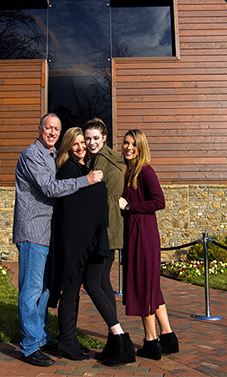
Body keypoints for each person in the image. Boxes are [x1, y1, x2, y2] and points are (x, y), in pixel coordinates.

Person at [13, 113, 103, 367]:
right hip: (33, 232)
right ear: (39, 128)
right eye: (48, 128)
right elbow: (50, 188)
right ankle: (29, 346)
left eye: (56, 129)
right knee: (31, 291)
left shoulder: (51, 156)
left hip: (47, 233)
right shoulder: (32, 155)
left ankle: (40, 338)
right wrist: (86, 180)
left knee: (42, 290)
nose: (52, 132)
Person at [46, 126, 135, 366]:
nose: (82, 146)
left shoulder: (85, 167)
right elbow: (74, 205)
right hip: (73, 243)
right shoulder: (68, 169)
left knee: (76, 291)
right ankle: (67, 340)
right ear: (68, 146)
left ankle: (70, 341)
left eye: (83, 142)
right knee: (71, 291)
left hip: (83, 241)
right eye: (77, 143)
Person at [119, 129, 179, 360]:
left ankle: (151, 341)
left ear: (141, 147)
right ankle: (168, 335)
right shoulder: (129, 171)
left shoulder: (145, 171)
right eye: (126, 143)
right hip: (136, 233)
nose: (128, 147)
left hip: (144, 236)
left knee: (144, 286)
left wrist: (129, 207)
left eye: (133, 144)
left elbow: (159, 201)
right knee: (152, 287)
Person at [83, 118, 135, 364]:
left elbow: (95, 198)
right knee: (103, 282)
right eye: (88, 138)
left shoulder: (100, 162)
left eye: (96, 138)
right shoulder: (110, 158)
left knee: (92, 283)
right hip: (112, 227)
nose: (91, 142)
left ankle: (120, 338)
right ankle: (114, 343)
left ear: (104, 138)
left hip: (103, 229)